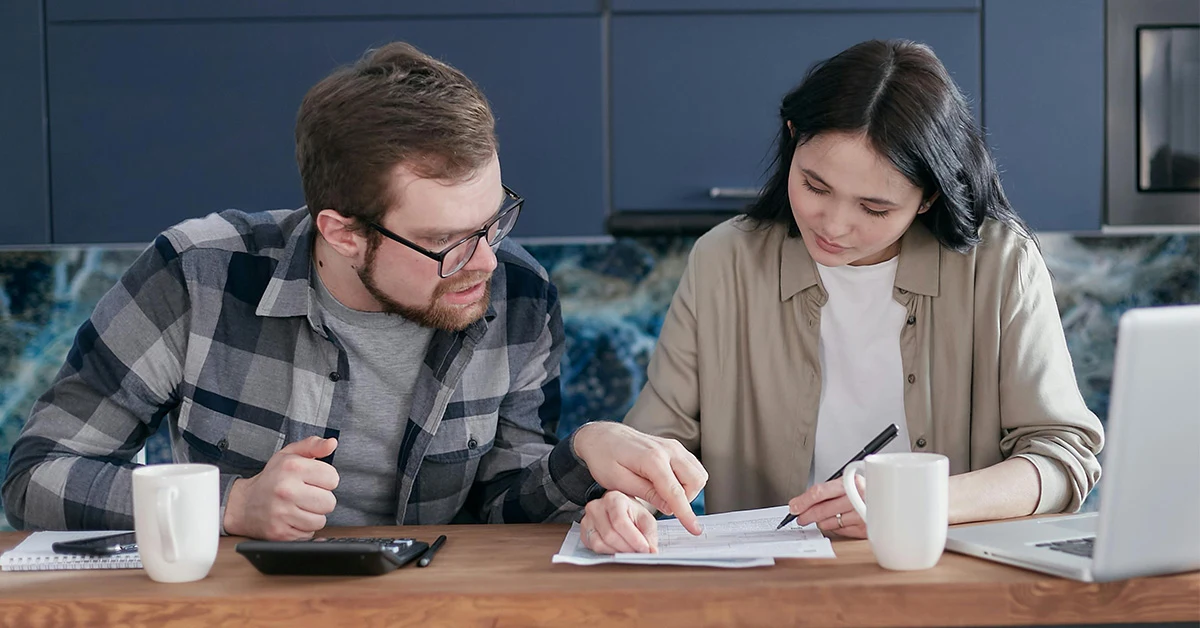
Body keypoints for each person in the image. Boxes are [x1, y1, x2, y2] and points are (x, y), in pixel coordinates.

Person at [2, 42, 707, 541]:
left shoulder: (520, 294)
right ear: (342, 233)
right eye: (445, 241)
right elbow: (35, 480)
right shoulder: (195, 275)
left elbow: (504, 509)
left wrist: (585, 452)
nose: (486, 261)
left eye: (493, 222)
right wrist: (231, 503)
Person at [578, 39, 1104, 554]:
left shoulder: (1000, 264)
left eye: (874, 209)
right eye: (814, 185)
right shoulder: (725, 261)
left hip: (954, 589)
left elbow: (1063, 461)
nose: (833, 226)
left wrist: (918, 500)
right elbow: (653, 445)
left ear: (929, 198)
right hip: (776, 591)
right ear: (792, 138)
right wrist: (625, 504)